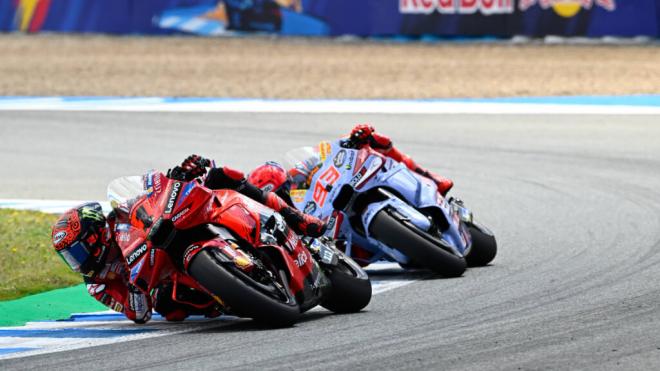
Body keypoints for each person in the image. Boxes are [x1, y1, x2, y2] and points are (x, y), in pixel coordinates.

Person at [51, 155, 326, 324]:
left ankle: (296, 217)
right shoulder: (98, 286)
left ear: (96, 234)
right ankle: (233, 293)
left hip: (174, 228)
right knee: (170, 308)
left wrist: (179, 175)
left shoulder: (120, 215)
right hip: (167, 278)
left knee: (221, 176)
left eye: (77, 252)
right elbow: (138, 314)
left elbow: (150, 191)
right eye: (69, 258)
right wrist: (137, 288)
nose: (77, 262)